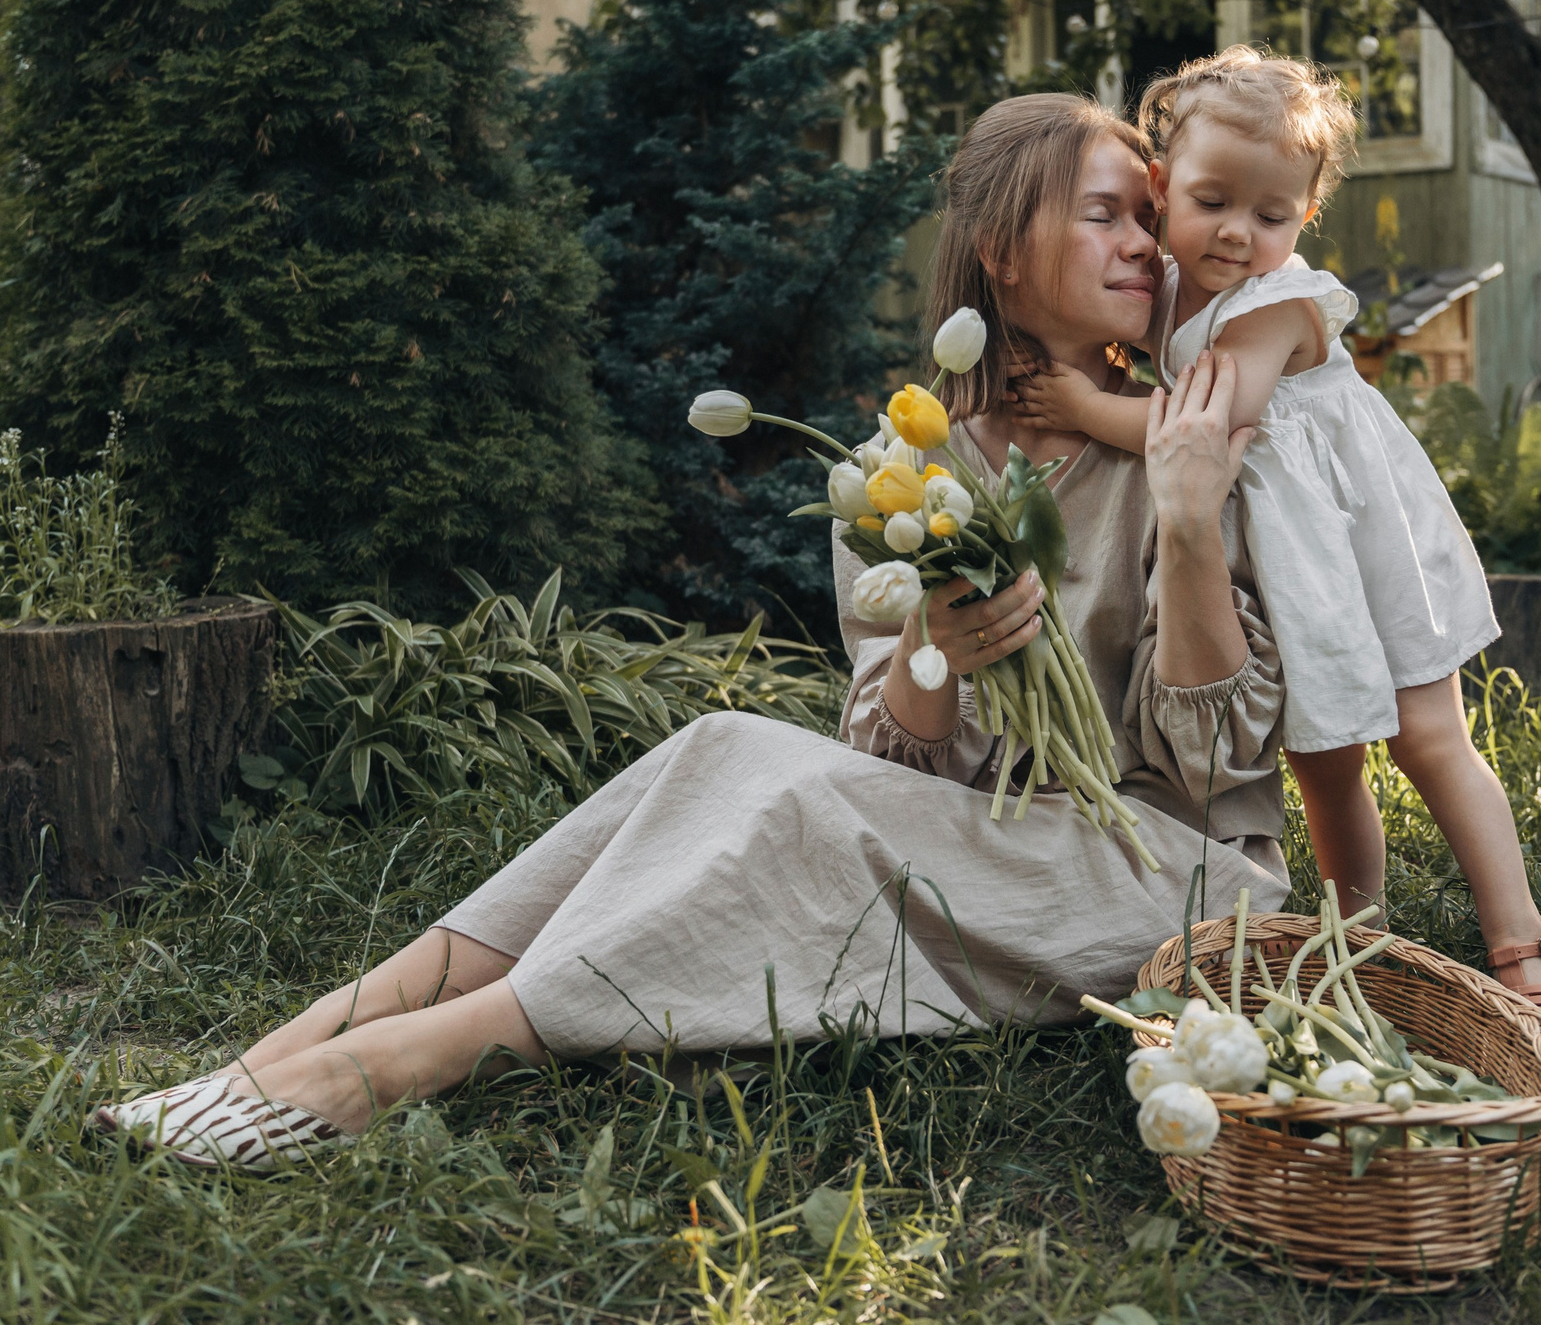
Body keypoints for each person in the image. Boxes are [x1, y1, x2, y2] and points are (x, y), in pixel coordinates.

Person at [91, 94, 1300, 1169]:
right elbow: (895, 763)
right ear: (1001, 251)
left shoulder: (1189, 440)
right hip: (972, 847)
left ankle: (404, 1060)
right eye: (1108, 215)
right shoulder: (902, 473)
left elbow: (1215, 768)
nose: (1149, 243)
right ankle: (288, 1044)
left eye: (1148, 217)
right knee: (721, 740)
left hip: (1165, 881)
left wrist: (1191, 523)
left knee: (782, 797)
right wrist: (939, 645)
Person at [1010, 47, 1541, 1027]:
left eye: (1271, 215)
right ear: (1160, 184)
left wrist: (1079, 400)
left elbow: (1203, 429)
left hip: (1362, 542)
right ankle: (1353, 941)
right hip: (1293, 564)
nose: (1238, 232)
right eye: (1212, 200)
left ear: (1305, 215)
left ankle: (1520, 932)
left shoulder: (1276, 305)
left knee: (1430, 737)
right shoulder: (1167, 284)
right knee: (1321, 759)